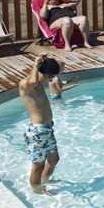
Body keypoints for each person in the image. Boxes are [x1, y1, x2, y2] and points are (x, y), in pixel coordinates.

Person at [18, 55, 64, 190]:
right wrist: (35, 65)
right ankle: (36, 190)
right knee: (38, 165)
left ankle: (43, 182)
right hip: (37, 131)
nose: (50, 80)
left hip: (48, 129)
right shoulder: (25, 84)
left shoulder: (38, 83)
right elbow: (32, 81)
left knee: (54, 159)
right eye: (50, 77)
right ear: (40, 73)